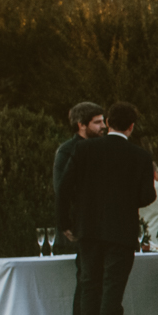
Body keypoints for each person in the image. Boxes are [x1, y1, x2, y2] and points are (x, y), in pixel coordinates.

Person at [58, 101, 155, 315]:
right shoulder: (141, 156)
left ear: (108, 123)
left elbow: (64, 187)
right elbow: (147, 195)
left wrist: (65, 222)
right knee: (113, 287)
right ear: (132, 127)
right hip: (121, 229)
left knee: (89, 284)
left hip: (88, 227)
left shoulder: (84, 150)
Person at [52, 101, 107, 257]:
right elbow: (62, 188)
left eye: (103, 121)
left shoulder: (102, 148)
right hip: (76, 229)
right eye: (97, 122)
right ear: (81, 125)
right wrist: (66, 223)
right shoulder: (67, 150)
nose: (103, 126)